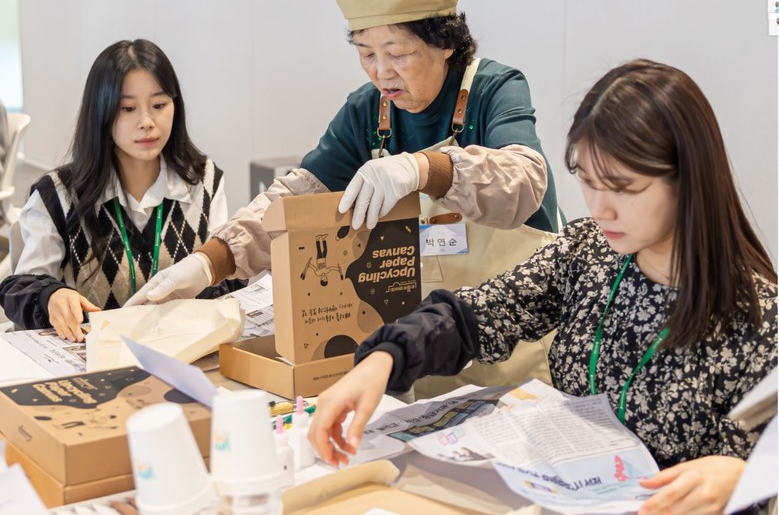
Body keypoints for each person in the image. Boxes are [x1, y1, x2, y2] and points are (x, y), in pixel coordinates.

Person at [308, 59, 777, 514]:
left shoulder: (758, 317)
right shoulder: (588, 251)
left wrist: (745, 477)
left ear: (689, 179)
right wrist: (387, 357)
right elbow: (482, 313)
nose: (601, 208)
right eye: (588, 182)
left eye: (623, 187)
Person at [125, 0, 561, 393]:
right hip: (423, 354)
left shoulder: (494, 89)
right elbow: (295, 200)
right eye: (366, 53)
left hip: (514, 358)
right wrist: (209, 262)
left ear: (446, 42)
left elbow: (524, 181)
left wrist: (424, 168)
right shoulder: (367, 111)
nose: (381, 72)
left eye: (398, 53)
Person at [0, 39, 243, 342]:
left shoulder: (203, 181)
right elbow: (21, 288)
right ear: (101, 112)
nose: (146, 122)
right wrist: (51, 296)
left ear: (175, 107)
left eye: (159, 105)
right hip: (93, 355)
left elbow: (226, 277)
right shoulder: (58, 195)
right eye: (127, 108)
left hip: (184, 353)